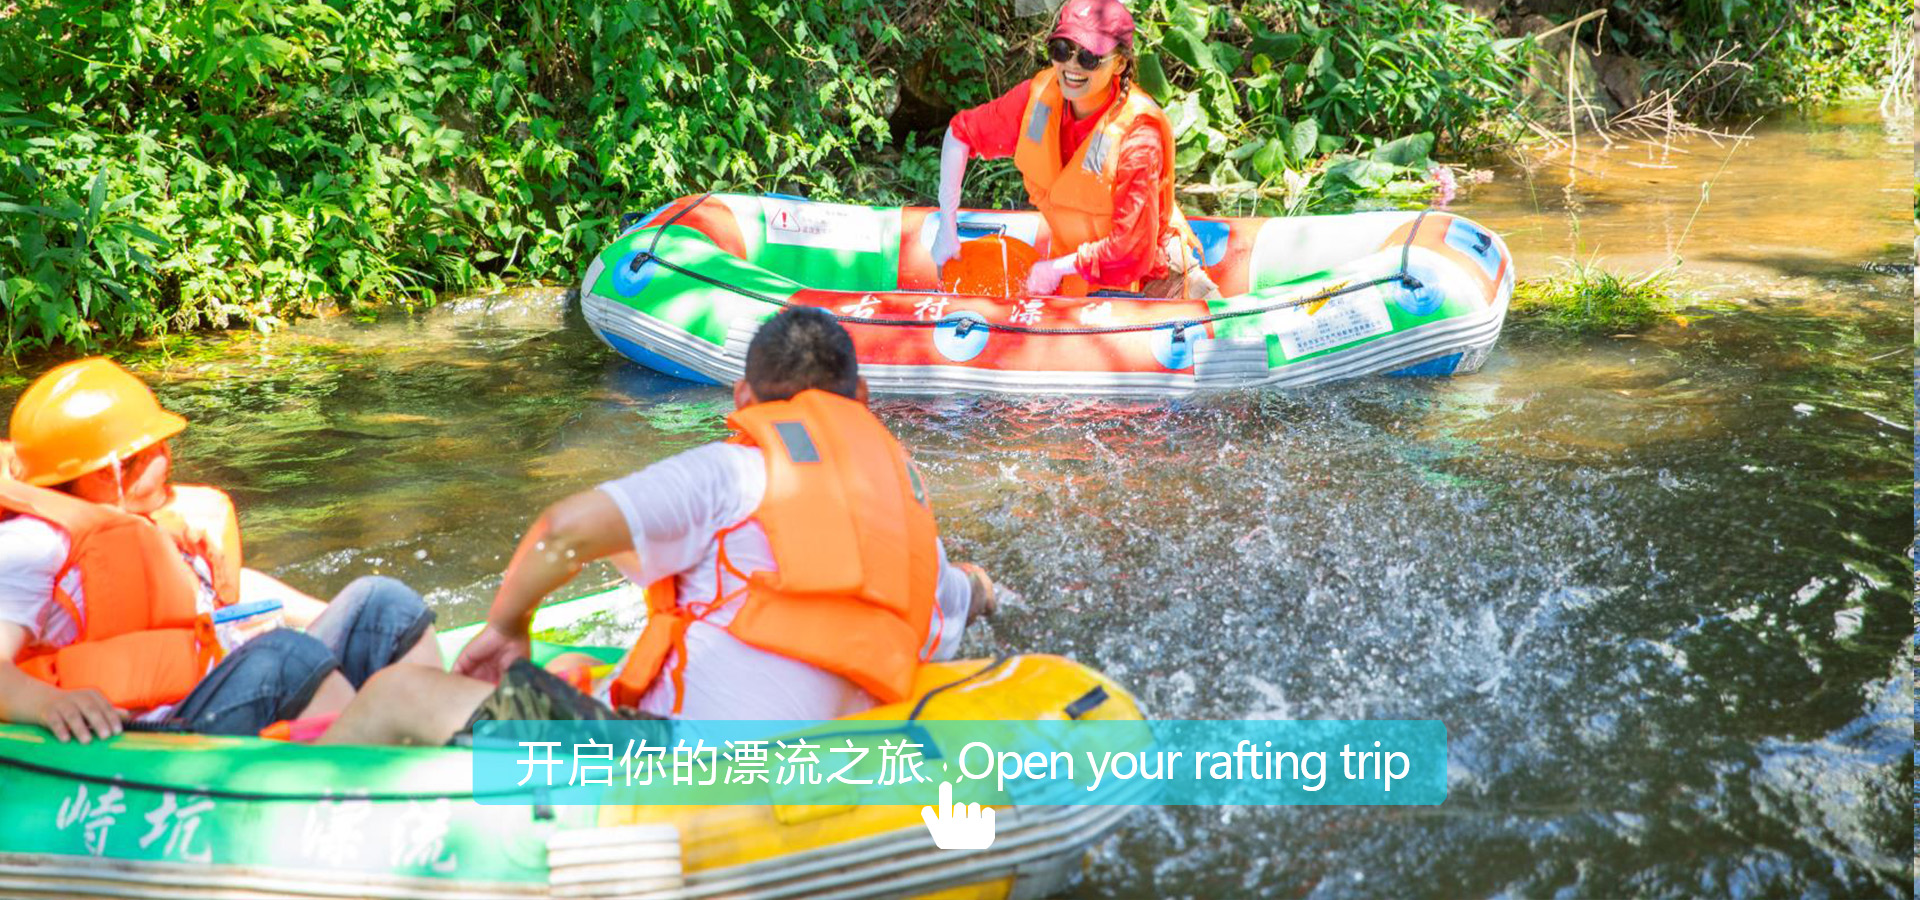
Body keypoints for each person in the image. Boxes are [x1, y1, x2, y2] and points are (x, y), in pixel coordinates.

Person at [319, 309, 997, 746]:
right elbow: (968, 591)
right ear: (862, 401)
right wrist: (984, 591)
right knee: (578, 667)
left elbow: (561, 532)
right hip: (822, 766)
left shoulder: (734, 472)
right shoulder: (910, 520)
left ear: (743, 400)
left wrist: (506, 625)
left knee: (398, 691)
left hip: (685, 767)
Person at [0, 358, 443, 743]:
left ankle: (441, 751)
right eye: (157, 447)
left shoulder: (139, 518)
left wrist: (330, 619)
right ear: (109, 472)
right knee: (287, 657)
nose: (169, 457)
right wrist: (45, 704)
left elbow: (220, 591)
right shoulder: (34, 544)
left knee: (382, 605)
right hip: (152, 735)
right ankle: (372, 783)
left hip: (216, 688)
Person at [931, 0, 1223, 301]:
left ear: (1119, 63)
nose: (1071, 65)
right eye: (1061, 50)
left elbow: (1132, 250)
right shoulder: (1038, 99)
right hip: (1080, 278)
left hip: (1154, 280)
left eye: (1088, 57)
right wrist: (946, 227)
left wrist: (1057, 268)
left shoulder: (1139, 135)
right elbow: (960, 134)